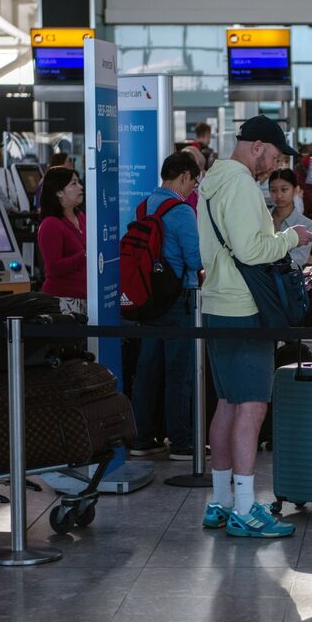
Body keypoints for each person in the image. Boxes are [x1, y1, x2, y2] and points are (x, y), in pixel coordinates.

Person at [197, 115, 312, 539]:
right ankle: (246, 509)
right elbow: (252, 250)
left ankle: (220, 501)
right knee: (252, 405)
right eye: (273, 155)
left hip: (216, 302)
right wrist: (293, 237)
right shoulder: (243, 184)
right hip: (244, 307)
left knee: (228, 402)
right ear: (257, 146)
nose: (272, 165)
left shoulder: (211, 179)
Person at [130, 151, 204, 461]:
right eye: (194, 181)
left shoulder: (144, 205)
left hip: (148, 298)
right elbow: (195, 260)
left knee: (146, 370)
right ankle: (182, 442)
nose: (193, 189)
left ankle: (143, 437)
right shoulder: (182, 211)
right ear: (184, 176)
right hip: (177, 300)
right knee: (179, 372)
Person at [36, 168, 87, 307]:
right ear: (58, 192)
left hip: (87, 298)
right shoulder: (51, 224)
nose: (80, 187)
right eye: (73, 184)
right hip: (64, 301)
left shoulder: (80, 217)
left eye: (79, 182)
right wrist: (85, 255)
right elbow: (53, 268)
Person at [267, 168, 312, 267]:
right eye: (273, 190)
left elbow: (299, 259)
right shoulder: (262, 218)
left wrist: (266, 258)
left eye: (284, 189)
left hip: (288, 279)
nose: (279, 195)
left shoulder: (306, 224)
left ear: (296, 190)